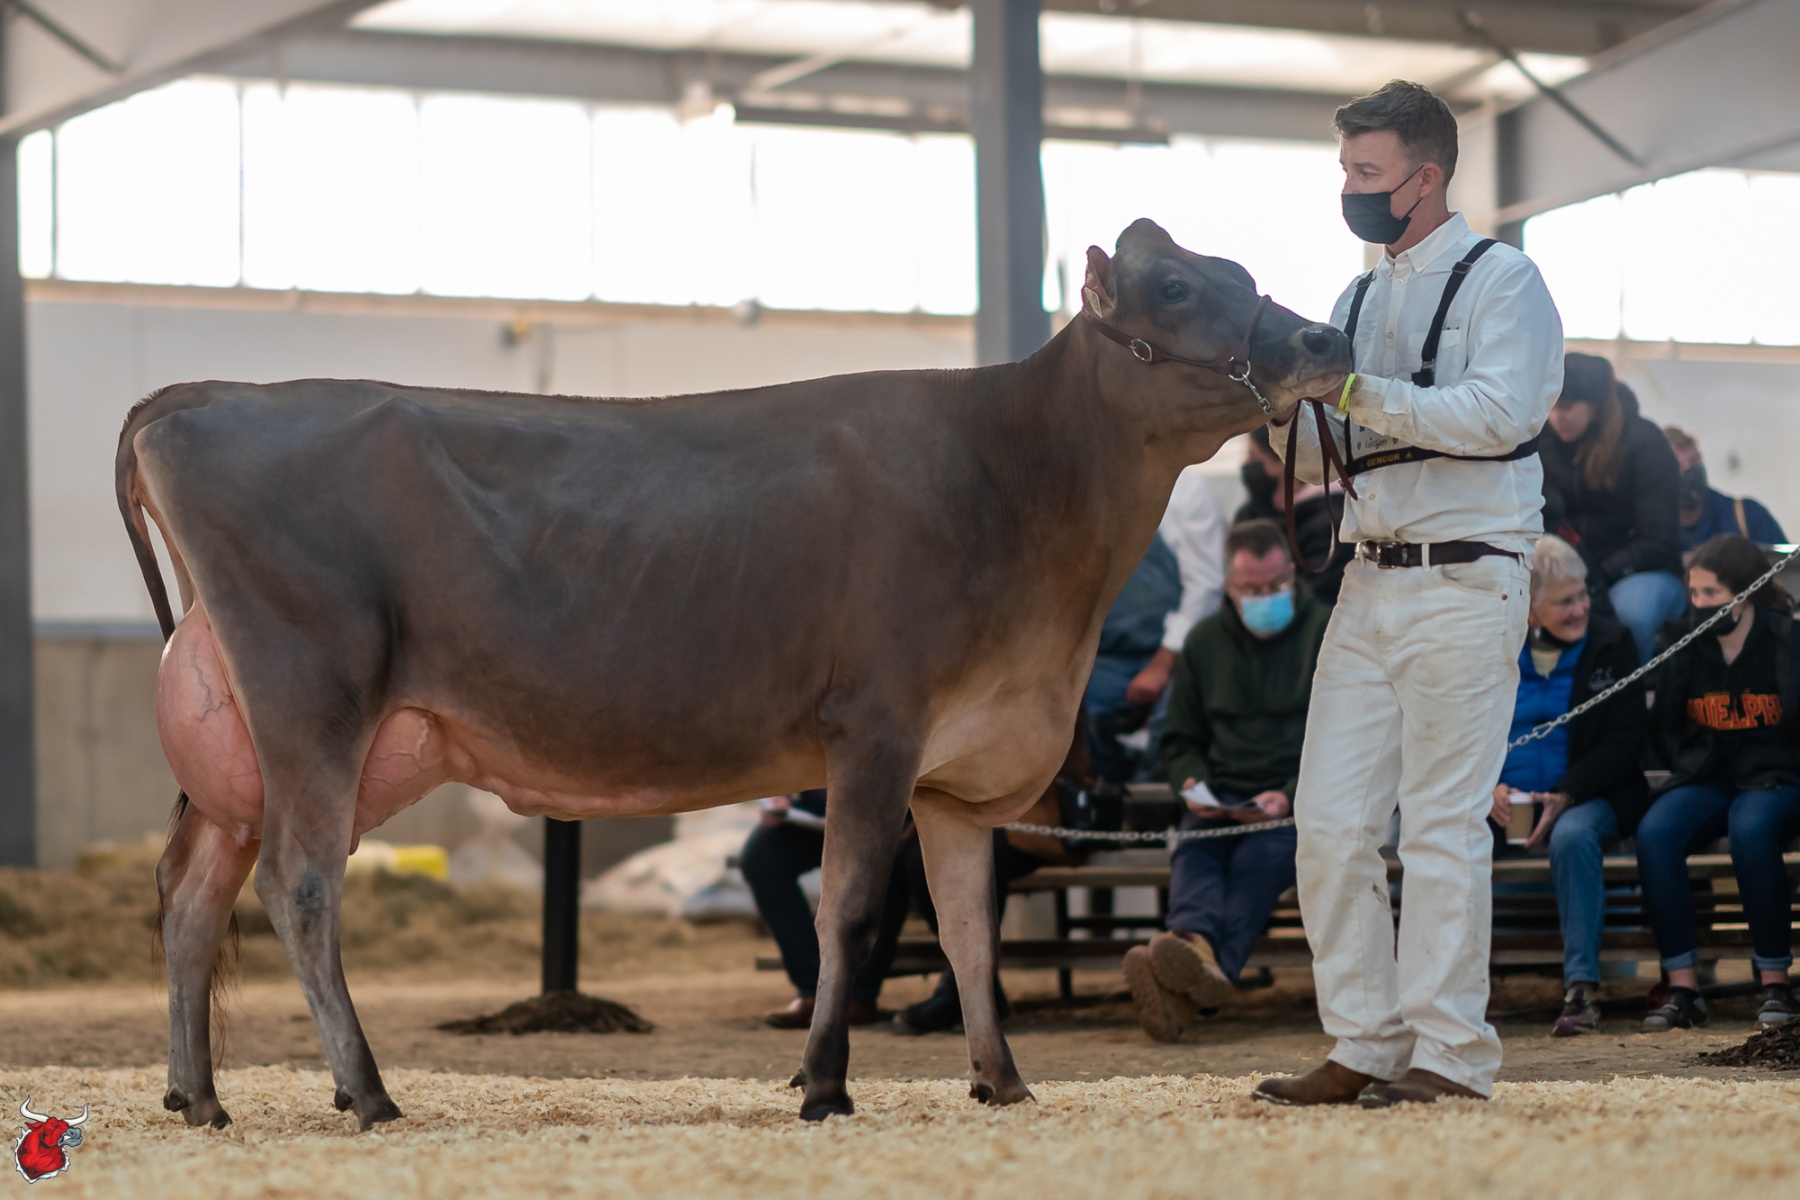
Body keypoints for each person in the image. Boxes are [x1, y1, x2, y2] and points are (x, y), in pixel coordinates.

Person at [1260, 80, 1563, 1108]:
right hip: (1368, 578)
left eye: (1367, 171)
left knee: (1440, 824)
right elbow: (1323, 454)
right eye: (1346, 168)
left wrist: (1350, 391)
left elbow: (1499, 413)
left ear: (1424, 178)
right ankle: (1365, 1041)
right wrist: (1276, 407)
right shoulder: (1354, 298)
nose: (1349, 188)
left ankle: (1451, 1056)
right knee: (1330, 822)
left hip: (1467, 574)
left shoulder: (1503, 280)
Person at [1122, 519, 1328, 1043]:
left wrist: (1290, 793)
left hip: (1298, 801)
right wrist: (1193, 783)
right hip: (1221, 795)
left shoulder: (1328, 631)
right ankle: (1195, 956)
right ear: (1229, 586)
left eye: (1276, 585)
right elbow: (1181, 739)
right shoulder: (1203, 642)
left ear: (1293, 573)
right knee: (1194, 849)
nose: (1266, 597)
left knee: (1258, 861)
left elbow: (1344, 737)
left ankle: (1190, 963)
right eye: (1252, 589)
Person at [1635, 535, 1800, 1031]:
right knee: (1656, 832)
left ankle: (1775, 982)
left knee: (1751, 829)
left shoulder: (1787, 639)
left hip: (1775, 776)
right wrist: (1687, 766)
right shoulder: (1683, 642)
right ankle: (1683, 987)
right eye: (1694, 593)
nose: (1701, 603)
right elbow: (1665, 725)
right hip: (1708, 774)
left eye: (1712, 593)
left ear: (1746, 592)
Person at [1485, 535, 1648, 1037]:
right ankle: (1454, 992)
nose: (1580, 610)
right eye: (1563, 602)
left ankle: (1581, 991)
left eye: (1582, 596)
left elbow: (1626, 741)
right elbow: (1464, 727)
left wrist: (1566, 793)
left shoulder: (1612, 642)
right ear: (1529, 607)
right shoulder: (1494, 644)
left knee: (1573, 836)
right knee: (1445, 834)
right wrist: (1487, 785)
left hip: (1589, 795)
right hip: (1505, 800)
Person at [1083, 467, 1225, 781]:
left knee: (1174, 720)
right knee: (1075, 718)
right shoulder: (1089, 489)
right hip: (1104, 657)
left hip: (1176, 656)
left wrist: (1162, 664)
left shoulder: (1188, 493)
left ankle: (1149, 799)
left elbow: (1206, 588)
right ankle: (1099, 799)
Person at [1540, 353, 1684, 663]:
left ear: (1595, 404)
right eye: (1551, 405)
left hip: (1641, 571)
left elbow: (1657, 540)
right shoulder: (1544, 441)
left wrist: (1593, 576)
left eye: (1567, 407)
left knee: (1631, 615)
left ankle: (1629, 688)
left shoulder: (1644, 442)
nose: (1556, 417)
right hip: (1570, 567)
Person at [740, 790, 903, 1028]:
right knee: (762, 858)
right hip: (811, 810)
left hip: (879, 809)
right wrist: (773, 795)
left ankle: (857, 996)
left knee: (889, 863)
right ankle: (812, 989)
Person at [1235, 426, 1353, 604]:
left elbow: (1320, 596)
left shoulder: (1329, 521)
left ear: (1283, 460)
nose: (1246, 464)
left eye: (1253, 456)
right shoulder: (1251, 513)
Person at [1664, 426, 1788, 553]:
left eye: (1694, 462)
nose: (1689, 471)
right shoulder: (1654, 531)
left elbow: (1787, 562)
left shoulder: (1746, 516)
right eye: (1679, 466)